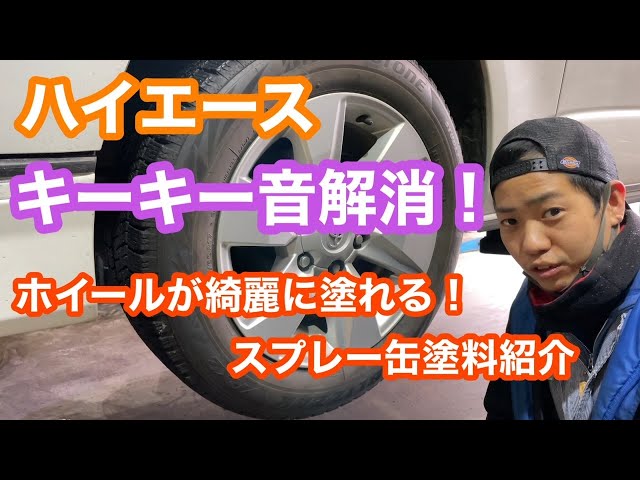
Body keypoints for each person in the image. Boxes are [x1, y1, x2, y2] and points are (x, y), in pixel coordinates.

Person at [481, 116, 640, 420]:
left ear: (613, 204)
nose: (531, 244)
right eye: (510, 221)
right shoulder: (527, 310)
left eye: (552, 212)